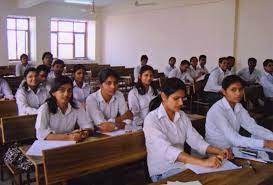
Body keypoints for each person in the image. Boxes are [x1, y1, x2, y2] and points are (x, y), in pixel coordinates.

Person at [144, 78, 232, 182]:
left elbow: (196, 141)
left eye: (182, 98)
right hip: (162, 171)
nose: (181, 103)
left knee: (217, 177)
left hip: (182, 165)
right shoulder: (151, 119)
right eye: (176, 98)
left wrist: (219, 151)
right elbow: (167, 151)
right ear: (163, 96)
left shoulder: (182, 116)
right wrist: (203, 162)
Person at [206, 75, 273, 150]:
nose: (238, 93)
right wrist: (265, 143)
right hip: (217, 151)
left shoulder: (238, 106)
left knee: (262, 145)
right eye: (233, 90)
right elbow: (235, 139)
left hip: (233, 147)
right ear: (224, 92)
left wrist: (271, 138)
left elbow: (253, 127)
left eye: (240, 89)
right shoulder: (217, 110)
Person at [35, 76, 94, 141]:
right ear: (53, 93)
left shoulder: (77, 105)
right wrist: (68, 137)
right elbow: (40, 134)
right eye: (62, 90)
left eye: (69, 90)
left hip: (70, 144)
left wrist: (84, 133)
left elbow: (87, 125)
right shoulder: (45, 108)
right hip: (50, 145)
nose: (66, 94)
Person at [86, 68, 133, 132]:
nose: (113, 86)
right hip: (95, 133)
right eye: (109, 83)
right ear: (100, 85)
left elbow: (128, 119)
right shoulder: (91, 99)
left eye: (115, 83)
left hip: (115, 132)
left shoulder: (119, 95)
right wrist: (121, 119)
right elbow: (102, 125)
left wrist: (116, 124)